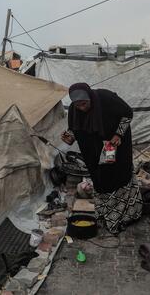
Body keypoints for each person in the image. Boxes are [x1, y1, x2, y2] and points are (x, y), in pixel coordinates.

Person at [61, 82, 142, 234]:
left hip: (111, 145)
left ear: (90, 97)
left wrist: (118, 134)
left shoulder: (106, 98)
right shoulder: (74, 108)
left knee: (115, 174)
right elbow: (75, 127)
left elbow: (127, 113)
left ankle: (123, 216)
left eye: (84, 104)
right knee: (99, 178)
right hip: (92, 151)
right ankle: (104, 215)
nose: (81, 108)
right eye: (78, 105)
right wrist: (69, 136)